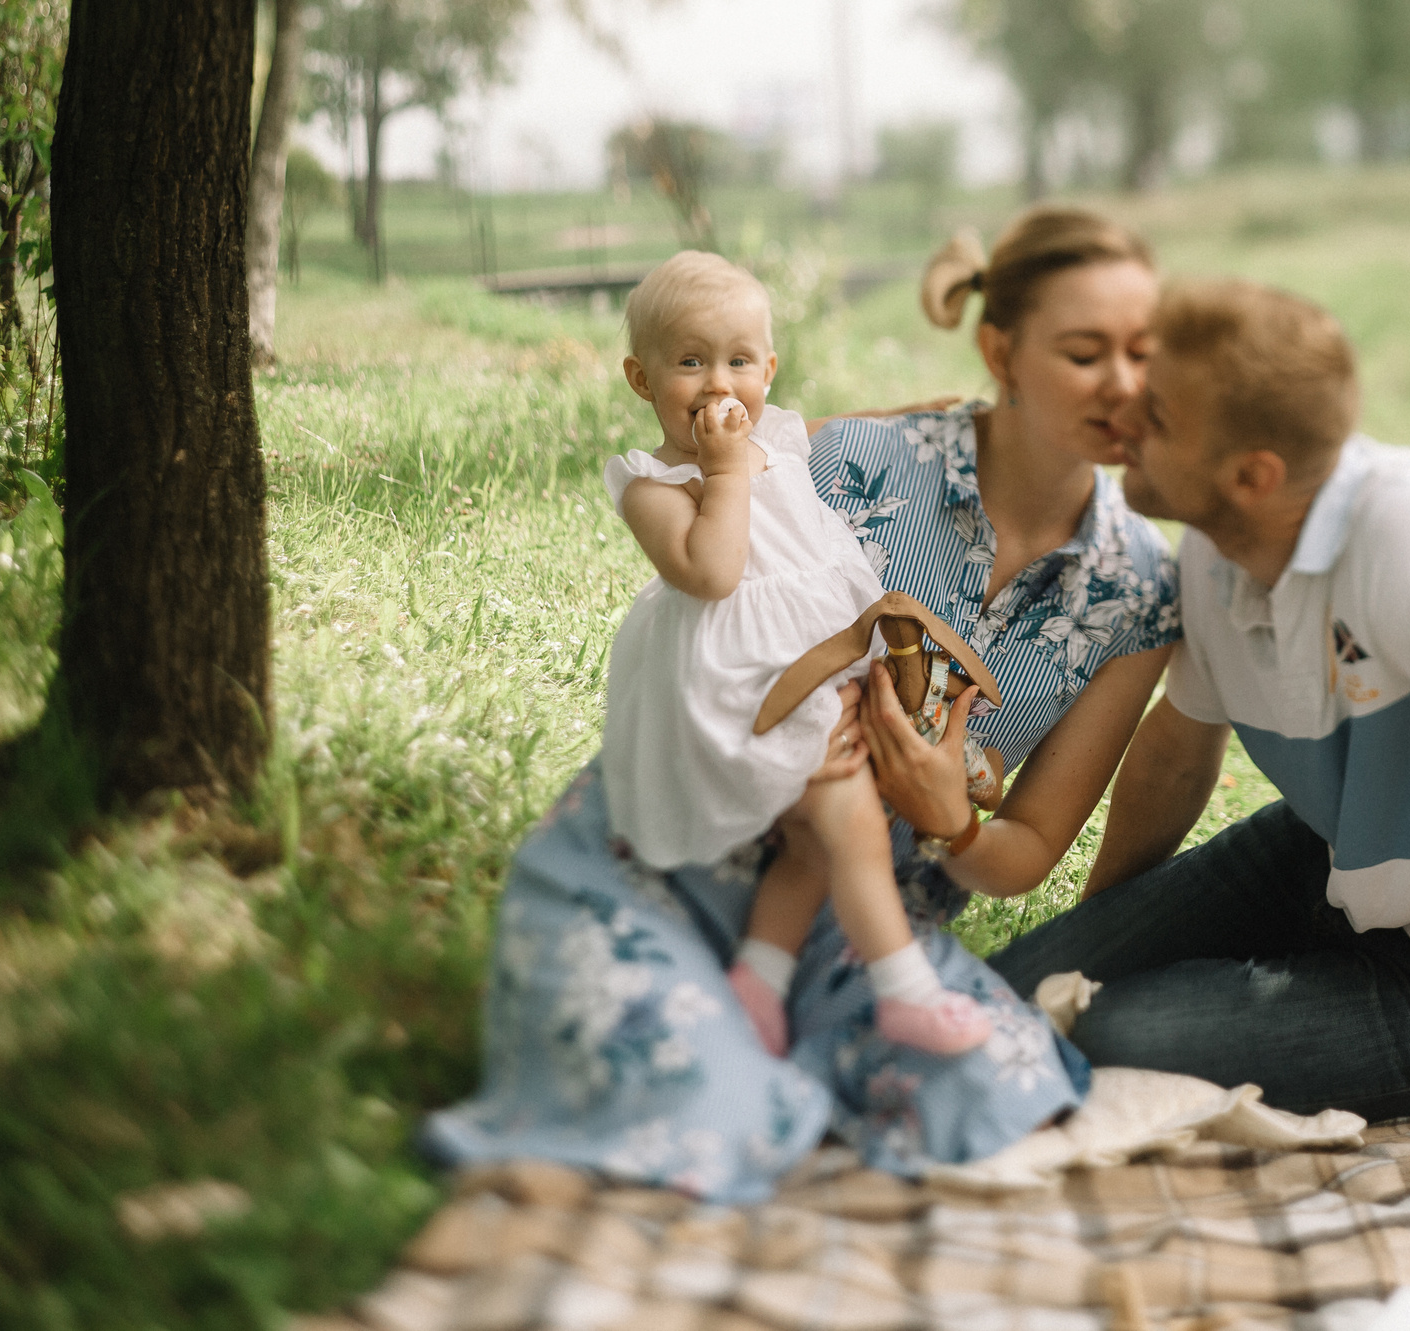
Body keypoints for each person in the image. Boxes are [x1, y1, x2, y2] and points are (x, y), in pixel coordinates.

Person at [424, 208, 1179, 1200]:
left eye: (1143, 352)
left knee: (1002, 1093)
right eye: (1084, 353)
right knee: (689, 1102)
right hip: (671, 859)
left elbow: (1028, 848)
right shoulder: (857, 459)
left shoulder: (1137, 590)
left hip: (864, 921)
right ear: (1001, 350)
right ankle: (743, 1069)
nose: (1124, 383)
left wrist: (950, 818)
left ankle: (793, 1048)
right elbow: (710, 486)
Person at [991, 278, 1410, 1182]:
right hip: (1339, 860)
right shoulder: (1215, 549)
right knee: (1014, 998)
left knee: (1112, 1033)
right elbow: (1175, 754)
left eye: (1155, 415)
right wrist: (1102, 940)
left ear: (1252, 476)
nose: (1123, 416)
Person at [600, 251, 992, 1057]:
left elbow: (837, 429)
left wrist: (911, 416)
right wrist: (723, 471)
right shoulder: (652, 485)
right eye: (690, 362)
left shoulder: (776, 434)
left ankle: (759, 982)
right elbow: (711, 573)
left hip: (826, 652)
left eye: (739, 361)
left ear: (769, 371)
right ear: (642, 379)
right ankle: (906, 990)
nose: (719, 383)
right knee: (848, 814)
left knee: (815, 839)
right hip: (746, 680)